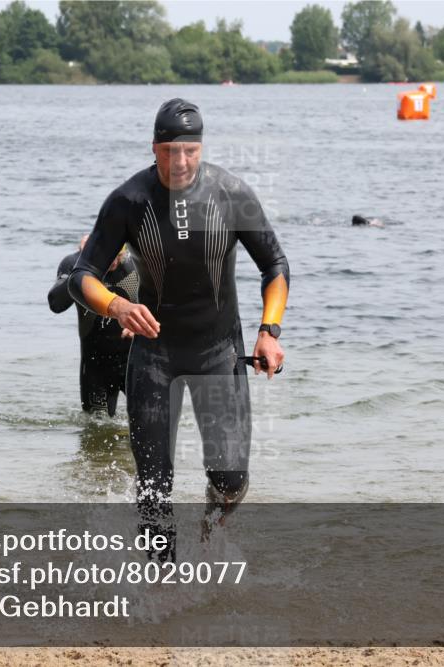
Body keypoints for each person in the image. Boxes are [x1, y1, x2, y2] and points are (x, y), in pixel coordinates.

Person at [68, 98, 289, 557]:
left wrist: (270, 330)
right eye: (171, 151)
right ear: (155, 149)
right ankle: (162, 589)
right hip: (154, 354)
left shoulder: (232, 194)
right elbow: (81, 276)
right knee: (153, 486)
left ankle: (213, 522)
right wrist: (116, 307)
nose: (181, 161)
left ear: (201, 148)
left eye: (190, 150)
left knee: (230, 479)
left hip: (218, 351)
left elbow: (275, 266)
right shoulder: (129, 201)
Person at [49, 235, 138, 417]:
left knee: (150, 419)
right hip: (95, 365)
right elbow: (56, 304)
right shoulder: (74, 264)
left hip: (135, 360)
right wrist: (82, 267)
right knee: (97, 428)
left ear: (123, 253)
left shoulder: (133, 266)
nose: (111, 262)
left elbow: (163, 302)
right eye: (106, 256)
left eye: (116, 256)